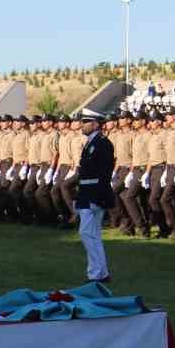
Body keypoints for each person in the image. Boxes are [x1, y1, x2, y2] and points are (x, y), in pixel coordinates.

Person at [73, 109, 116, 283]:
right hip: (87, 192)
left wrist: (98, 196)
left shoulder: (102, 143)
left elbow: (104, 172)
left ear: (96, 124)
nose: (81, 125)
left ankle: (97, 272)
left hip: (94, 193)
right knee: (93, 235)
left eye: (85, 122)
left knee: (86, 233)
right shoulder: (92, 142)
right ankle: (100, 272)